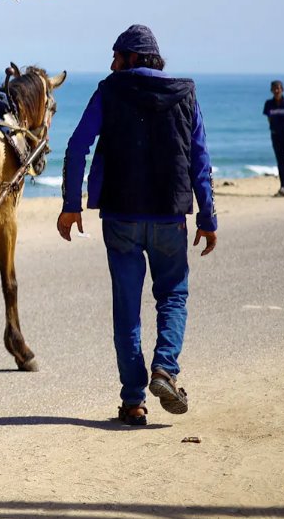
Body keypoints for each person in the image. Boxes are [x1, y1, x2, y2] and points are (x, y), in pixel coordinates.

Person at [56, 25, 218, 427]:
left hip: (120, 217)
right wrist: (207, 216)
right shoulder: (185, 93)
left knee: (127, 310)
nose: (112, 64)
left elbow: (77, 146)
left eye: (117, 57)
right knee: (173, 296)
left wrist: (70, 205)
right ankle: (164, 370)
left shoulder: (109, 90)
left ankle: (133, 403)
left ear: (132, 57)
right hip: (169, 218)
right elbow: (200, 159)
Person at [263, 79, 284, 197]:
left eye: (278, 88)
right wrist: (274, 128)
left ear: (282, 90)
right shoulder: (269, 104)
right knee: (280, 162)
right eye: (274, 88)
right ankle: (283, 186)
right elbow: (269, 118)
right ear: (271, 90)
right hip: (276, 136)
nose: (277, 91)